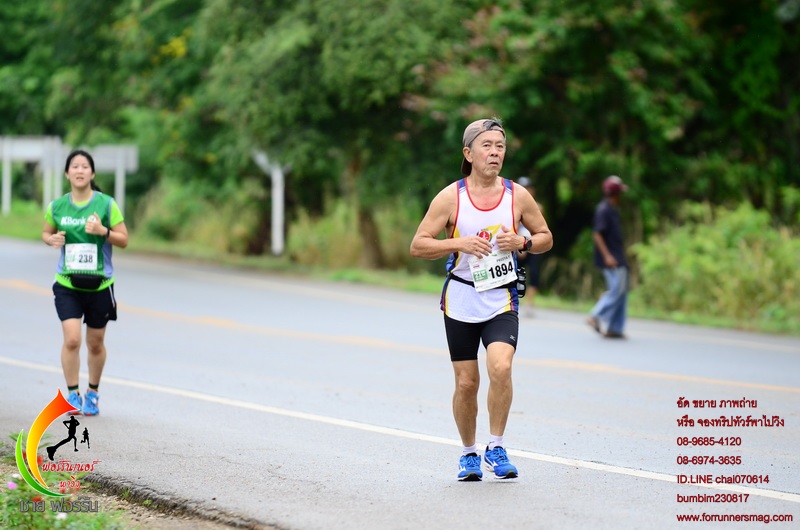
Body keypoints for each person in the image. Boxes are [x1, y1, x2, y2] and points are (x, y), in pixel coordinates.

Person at [410, 118, 552, 481]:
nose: (495, 152)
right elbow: (418, 245)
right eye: (487, 145)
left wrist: (522, 242)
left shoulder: (517, 195)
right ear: (469, 153)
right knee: (466, 383)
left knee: (501, 367)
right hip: (461, 298)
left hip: (501, 297)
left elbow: (545, 236)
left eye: (500, 146)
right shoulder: (451, 197)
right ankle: (468, 453)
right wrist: (460, 243)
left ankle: (497, 446)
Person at [42, 149, 129, 416]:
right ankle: (72, 395)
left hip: (100, 285)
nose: (79, 170)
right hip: (67, 283)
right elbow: (46, 233)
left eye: (85, 166)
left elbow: (124, 239)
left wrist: (103, 231)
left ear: (92, 173)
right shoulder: (57, 206)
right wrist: (51, 239)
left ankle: (92, 392)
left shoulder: (106, 204)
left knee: (95, 343)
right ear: (67, 173)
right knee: (72, 340)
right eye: (75, 166)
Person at [587, 175, 629, 339]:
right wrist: (607, 256)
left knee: (622, 292)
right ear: (615, 193)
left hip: (618, 257)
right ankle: (595, 315)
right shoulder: (603, 210)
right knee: (616, 289)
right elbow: (597, 234)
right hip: (611, 258)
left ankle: (615, 328)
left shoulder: (612, 209)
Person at [515, 176, 543, 316]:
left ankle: (529, 303)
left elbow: (540, 229)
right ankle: (513, 299)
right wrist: (519, 246)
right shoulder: (512, 206)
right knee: (514, 272)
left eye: (528, 188)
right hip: (516, 244)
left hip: (532, 244)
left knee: (535, 273)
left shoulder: (538, 207)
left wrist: (528, 244)